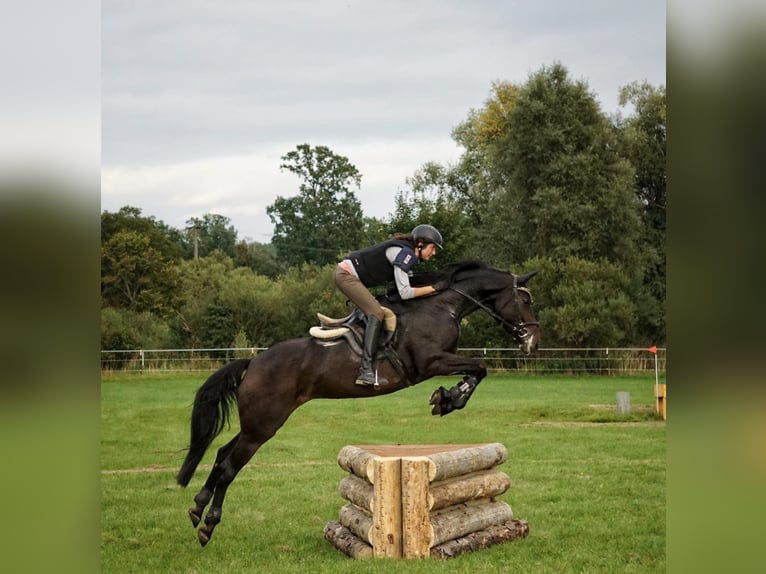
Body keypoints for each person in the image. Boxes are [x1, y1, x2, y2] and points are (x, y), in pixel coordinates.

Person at [335, 224, 446, 387]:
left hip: (351, 276)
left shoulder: (406, 253)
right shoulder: (406, 254)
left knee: (380, 309)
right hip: (346, 276)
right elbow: (405, 293)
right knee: (376, 313)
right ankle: (365, 370)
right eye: (433, 248)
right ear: (420, 244)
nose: (434, 252)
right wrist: (435, 288)